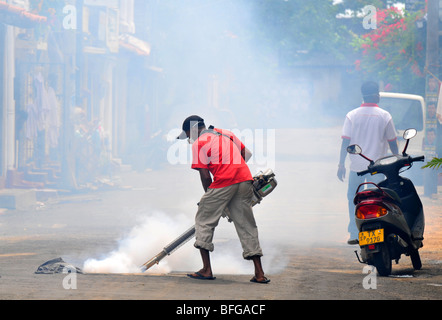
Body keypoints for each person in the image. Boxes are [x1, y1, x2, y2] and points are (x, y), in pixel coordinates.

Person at [176, 115, 270, 284]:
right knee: (246, 225)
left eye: (188, 134)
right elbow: (246, 153)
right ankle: (259, 273)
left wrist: (210, 198)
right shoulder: (226, 133)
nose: (189, 139)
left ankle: (206, 270)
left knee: (204, 219)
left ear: (194, 129)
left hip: (224, 182)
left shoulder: (199, 143)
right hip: (244, 179)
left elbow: (205, 176)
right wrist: (234, 168)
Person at [337, 81, 399, 245]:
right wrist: (398, 159)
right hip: (378, 169)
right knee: (379, 199)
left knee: (354, 198)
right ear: (376, 95)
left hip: (356, 168)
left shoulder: (352, 115)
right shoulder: (385, 116)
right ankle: (380, 229)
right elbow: (392, 142)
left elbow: (345, 142)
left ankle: (354, 233)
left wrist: (341, 164)